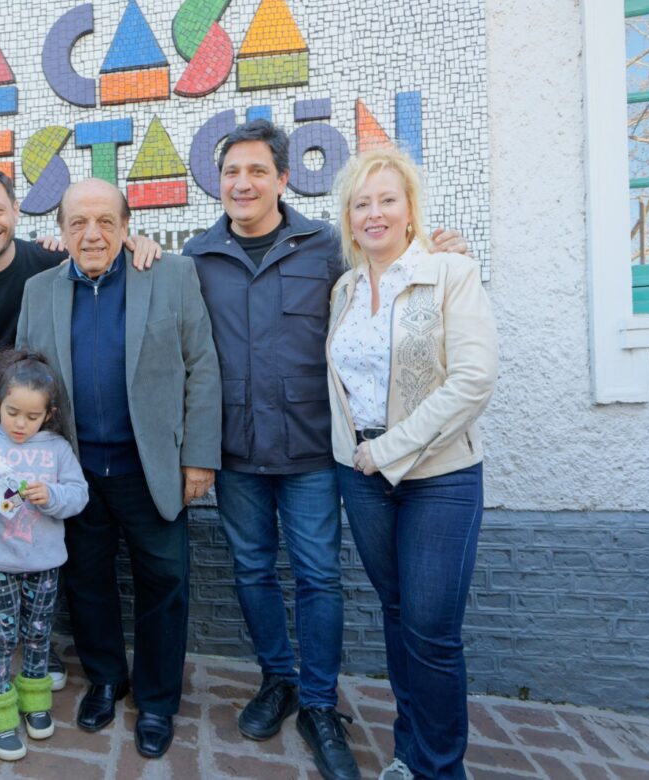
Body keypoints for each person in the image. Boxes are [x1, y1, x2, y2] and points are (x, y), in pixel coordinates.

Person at [182, 120, 467, 780]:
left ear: (284, 178)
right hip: (236, 452)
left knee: (317, 578)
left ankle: (317, 702)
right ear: (218, 183)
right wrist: (135, 243)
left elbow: (391, 280)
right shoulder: (195, 257)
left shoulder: (326, 246)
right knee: (251, 571)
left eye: (257, 170)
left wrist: (440, 249)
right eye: (231, 172)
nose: (243, 182)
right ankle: (277, 678)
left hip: (315, 451)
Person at [0, 165, 160, 685]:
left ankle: (38, 639)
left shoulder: (50, 256)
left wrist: (138, 240)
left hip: (45, 414)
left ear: (15, 211)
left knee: (43, 519)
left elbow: (102, 244)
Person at [16, 178, 221, 759]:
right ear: (61, 232)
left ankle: (157, 700)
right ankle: (106, 679)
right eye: (78, 222)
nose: (92, 233)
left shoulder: (171, 275)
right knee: (88, 582)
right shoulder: (38, 291)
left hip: (150, 467)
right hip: (75, 472)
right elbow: (27, 376)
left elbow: (201, 366)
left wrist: (200, 456)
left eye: (106, 220)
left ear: (127, 227)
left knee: (166, 583)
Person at [327, 149, 497, 780]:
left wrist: (388, 449)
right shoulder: (345, 287)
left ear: (410, 210)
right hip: (363, 478)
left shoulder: (449, 271)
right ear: (348, 217)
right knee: (398, 617)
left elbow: (474, 381)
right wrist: (356, 456)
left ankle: (441, 768)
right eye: (361, 203)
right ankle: (410, 755)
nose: (374, 213)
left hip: (439, 477)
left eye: (387, 200)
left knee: (431, 631)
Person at [0, 350, 88, 761]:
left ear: (49, 413)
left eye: (31, 416)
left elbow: (79, 495)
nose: (20, 424)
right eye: (12, 413)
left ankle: (34, 699)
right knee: (2, 637)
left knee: (39, 634)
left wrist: (54, 496)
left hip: (44, 563)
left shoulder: (58, 449)